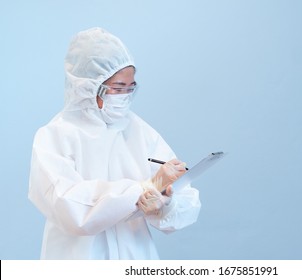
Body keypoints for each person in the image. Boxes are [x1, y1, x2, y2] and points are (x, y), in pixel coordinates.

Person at [28, 27, 201, 260]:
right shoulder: (55, 136)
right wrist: (141, 190)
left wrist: (164, 204)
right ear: (87, 86)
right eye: (118, 88)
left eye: (130, 89)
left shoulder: (138, 130)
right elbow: (70, 206)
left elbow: (185, 198)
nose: (124, 97)